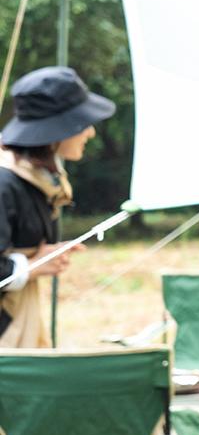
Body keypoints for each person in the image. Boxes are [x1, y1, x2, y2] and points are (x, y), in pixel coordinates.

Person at [0, 66, 115, 348]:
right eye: (82, 124)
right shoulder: (4, 183)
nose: (89, 132)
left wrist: (41, 257)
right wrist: (30, 265)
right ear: (57, 132)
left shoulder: (33, 178)